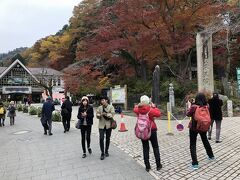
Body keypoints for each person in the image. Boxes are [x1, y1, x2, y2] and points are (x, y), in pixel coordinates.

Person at [133, 95, 162, 172]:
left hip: (143, 131)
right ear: (148, 102)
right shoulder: (150, 110)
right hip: (152, 130)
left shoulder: (138, 110)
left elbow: (135, 108)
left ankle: (147, 166)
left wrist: (139, 104)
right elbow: (159, 114)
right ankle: (158, 165)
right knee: (155, 147)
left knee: (145, 148)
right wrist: (154, 107)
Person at [187, 93, 214, 170]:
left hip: (194, 127)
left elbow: (188, 114)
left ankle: (195, 163)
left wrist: (190, 105)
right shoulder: (207, 106)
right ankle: (211, 155)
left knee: (193, 144)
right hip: (203, 126)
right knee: (205, 140)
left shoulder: (194, 107)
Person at [96, 96, 115, 160]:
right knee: (101, 138)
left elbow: (112, 114)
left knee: (107, 138)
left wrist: (106, 114)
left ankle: (106, 151)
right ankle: (102, 152)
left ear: (106, 100)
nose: (102, 101)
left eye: (103, 100)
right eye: (101, 100)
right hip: (101, 125)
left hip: (108, 125)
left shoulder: (111, 107)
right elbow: (97, 115)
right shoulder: (99, 107)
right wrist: (99, 115)